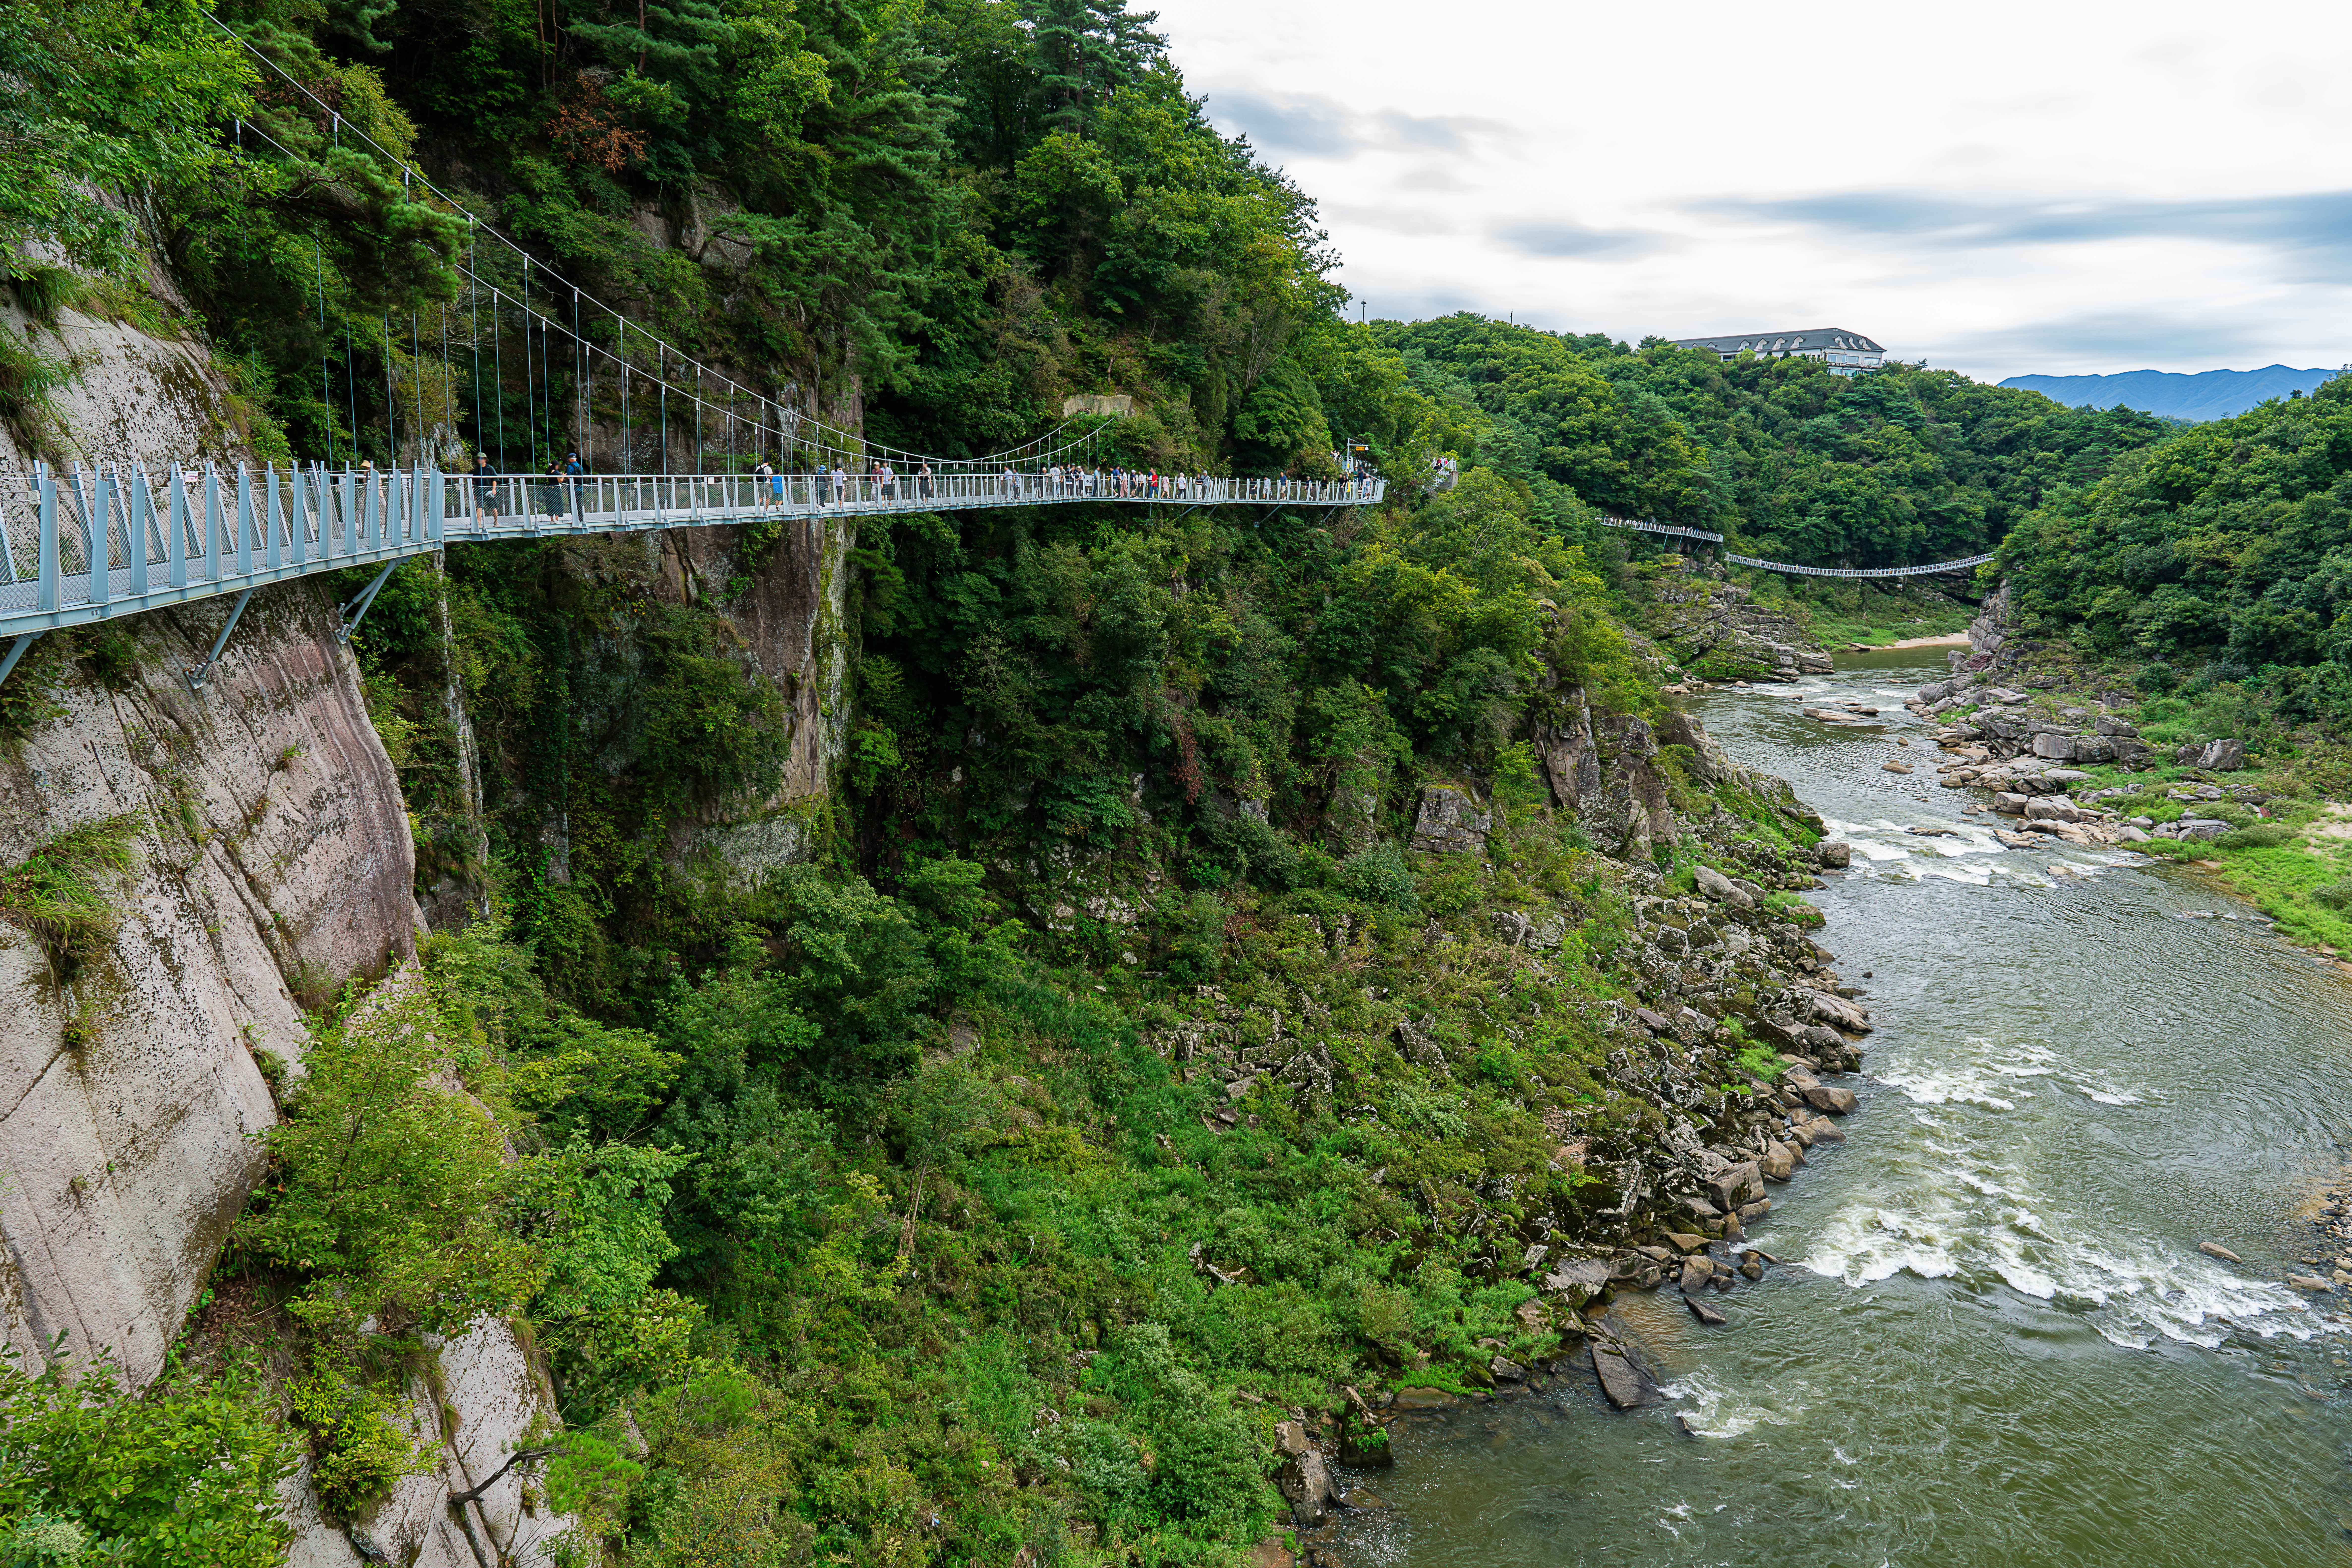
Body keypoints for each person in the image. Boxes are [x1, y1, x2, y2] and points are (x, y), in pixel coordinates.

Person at [474, 452, 499, 526]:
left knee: (493, 507)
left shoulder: (490, 469)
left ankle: (496, 522)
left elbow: (495, 480)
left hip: (489, 491)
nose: (479, 460)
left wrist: (494, 489)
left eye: (481, 458)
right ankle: (478, 523)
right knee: (479, 507)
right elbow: (474, 482)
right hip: (479, 491)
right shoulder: (477, 469)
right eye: (478, 458)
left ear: (485, 460)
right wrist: (475, 492)